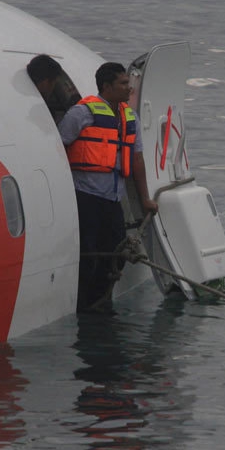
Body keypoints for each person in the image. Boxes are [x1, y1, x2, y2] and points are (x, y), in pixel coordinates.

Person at [58, 62, 158, 311]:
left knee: (116, 250)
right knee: (89, 252)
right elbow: (58, 146)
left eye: (129, 84)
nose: (129, 89)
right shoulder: (81, 114)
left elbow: (137, 160)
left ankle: (101, 300)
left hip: (113, 198)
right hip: (86, 195)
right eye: (123, 84)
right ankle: (84, 304)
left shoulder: (129, 117)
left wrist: (145, 198)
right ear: (107, 86)